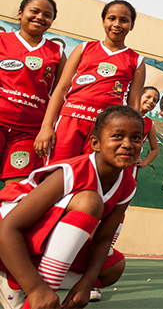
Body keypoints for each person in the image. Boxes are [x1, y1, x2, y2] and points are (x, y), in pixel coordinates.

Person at [0, 105, 142, 309]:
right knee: (90, 202)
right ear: (95, 143)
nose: (128, 144)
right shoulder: (71, 172)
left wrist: (86, 283)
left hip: (35, 244)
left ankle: (27, 280)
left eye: (136, 138)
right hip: (8, 238)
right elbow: (7, 229)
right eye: (118, 136)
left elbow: (103, 239)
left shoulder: (127, 184)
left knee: (113, 266)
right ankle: (27, 290)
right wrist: (35, 288)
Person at [34, 0, 146, 162]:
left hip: (106, 128)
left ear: (132, 25)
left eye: (124, 20)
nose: (117, 24)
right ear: (103, 21)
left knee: (91, 177)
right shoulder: (84, 48)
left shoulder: (136, 61)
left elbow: (134, 105)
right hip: (70, 120)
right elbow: (61, 89)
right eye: (111, 18)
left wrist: (131, 138)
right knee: (56, 174)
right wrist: (46, 126)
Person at [0, 0, 67, 184]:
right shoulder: (2, 41)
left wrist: (47, 128)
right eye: (34, 11)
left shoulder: (57, 52)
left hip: (29, 132)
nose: (40, 18)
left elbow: (59, 93)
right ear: (21, 13)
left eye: (47, 15)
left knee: (18, 191)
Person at [134, 86, 160, 177]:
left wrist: (143, 163)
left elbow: (155, 150)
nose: (151, 101)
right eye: (148, 97)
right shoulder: (123, 113)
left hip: (130, 166)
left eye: (155, 100)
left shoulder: (149, 123)